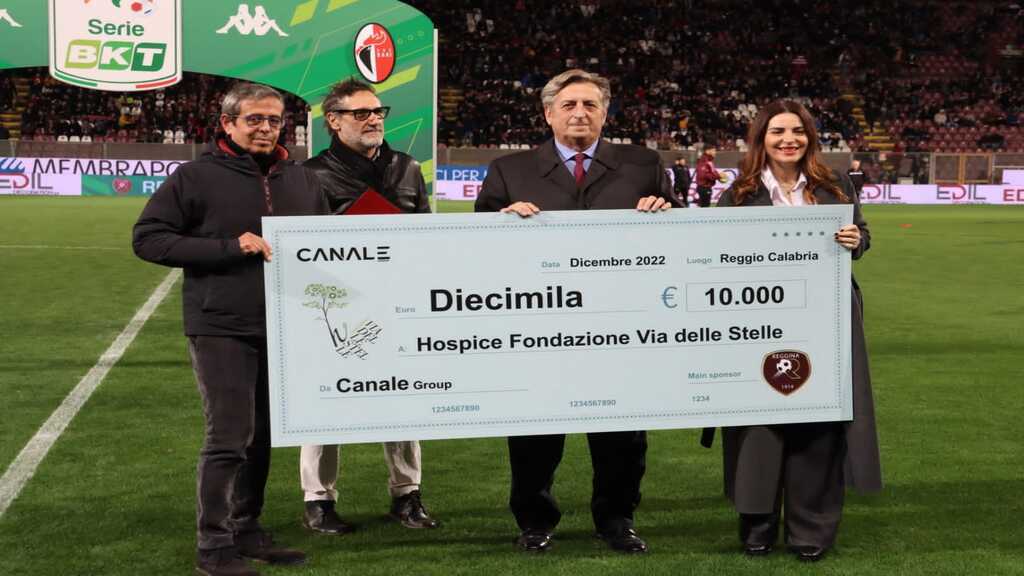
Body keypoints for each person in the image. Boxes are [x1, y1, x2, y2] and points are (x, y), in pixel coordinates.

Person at [475, 69, 678, 554]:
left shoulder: (643, 165)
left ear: (605, 113)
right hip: (539, 326)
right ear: (548, 113)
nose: (580, 113)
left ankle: (617, 519)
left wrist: (666, 211)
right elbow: (476, 247)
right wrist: (499, 224)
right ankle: (534, 521)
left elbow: (680, 236)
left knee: (622, 435)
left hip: (622, 325)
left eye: (590, 104)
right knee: (534, 433)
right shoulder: (509, 170)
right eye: (569, 105)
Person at [133, 82, 325, 576]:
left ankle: (246, 528)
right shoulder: (195, 176)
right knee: (229, 435)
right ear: (228, 123)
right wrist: (228, 247)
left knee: (261, 436)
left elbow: (328, 242)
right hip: (220, 325)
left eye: (274, 120)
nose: (265, 128)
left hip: (284, 326)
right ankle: (213, 546)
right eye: (254, 119)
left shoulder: (302, 179)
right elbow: (148, 239)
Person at [715, 100, 882, 562]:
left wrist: (856, 240)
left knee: (820, 419)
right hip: (757, 319)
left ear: (810, 137)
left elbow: (862, 235)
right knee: (759, 422)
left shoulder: (835, 184)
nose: (789, 140)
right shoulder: (739, 192)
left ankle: (811, 528)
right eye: (777, 132)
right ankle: (758, 524)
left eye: (797, 131)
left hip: (826, 316)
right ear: (761, 139)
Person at [299, 78, 438, 535]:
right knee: (324, 398)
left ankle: (407, 494)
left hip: (398, 302)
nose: (374, 119)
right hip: (333, 306)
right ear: (334, 121)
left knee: (402, 395)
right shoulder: (310, 174)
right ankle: (318, 500)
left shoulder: (407, 167)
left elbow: (427, 234)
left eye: (378, 111)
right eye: (361, 113)